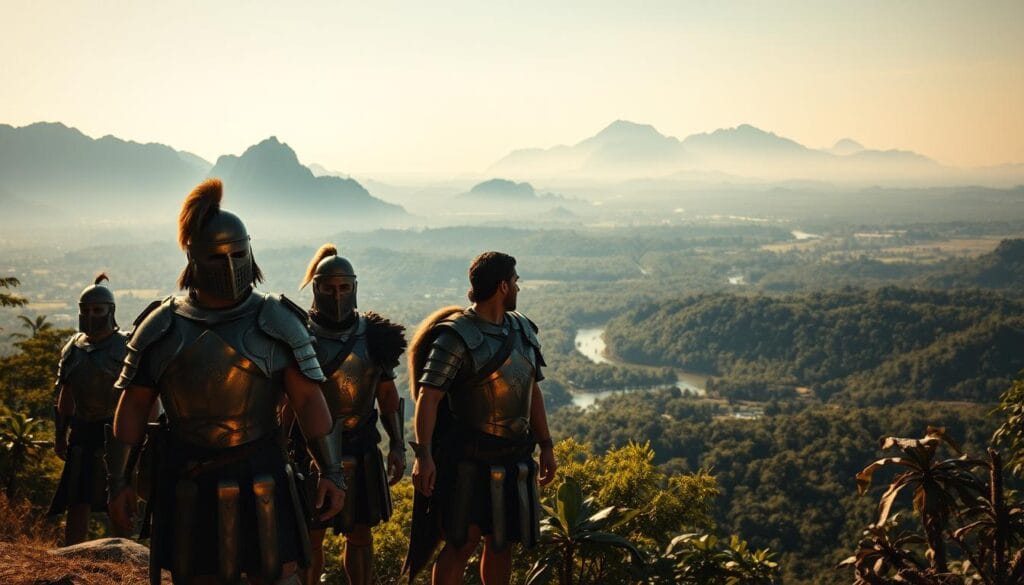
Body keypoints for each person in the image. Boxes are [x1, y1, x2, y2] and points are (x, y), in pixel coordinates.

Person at [105, 179, 345, 585]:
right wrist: (118, 481)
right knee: (197, 575)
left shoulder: (275, 321)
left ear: (249, 252)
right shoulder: (162, 327)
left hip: (263, 468)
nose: (232, 267)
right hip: (188, 477)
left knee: (278, 574)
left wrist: (331, 470)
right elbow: (131, 407)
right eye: (219, 257)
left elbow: (307, 401)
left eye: (238, 254)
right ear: (194, 258)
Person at [404, 251, 558, 585]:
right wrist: (424, 455)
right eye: (516, 281)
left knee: (500, 543)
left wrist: (546, 444)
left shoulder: (524, 331)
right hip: (468, 460)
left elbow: (532, 391)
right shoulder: (457, 336)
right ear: (503, 286)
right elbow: (428, 397)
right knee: (461, 542)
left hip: (514, 455)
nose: (518, 287)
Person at [290, 244, 407, 585]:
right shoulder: (298, 334)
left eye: (344, 288)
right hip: (309, 450)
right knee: (311, 540)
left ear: (354, 287)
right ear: (317, 288)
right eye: (329, 288)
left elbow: (386, 393)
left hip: (362, 445)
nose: (337, 295)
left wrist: (398, 444)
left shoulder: (374, 336)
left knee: (360, 536)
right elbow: (285, 402)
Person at [47, 273, 129, 544]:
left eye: (98, 309)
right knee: (76, 497)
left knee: (117, 498)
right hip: (82, 430)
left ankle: (123, 559)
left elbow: (141, 397)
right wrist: (61, 434)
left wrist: (140, 439)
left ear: (110, 310)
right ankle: (74, 557)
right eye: (86, 310)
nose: (91, 315)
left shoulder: (126, 347)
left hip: (115, 432)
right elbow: (66, 394)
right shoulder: (73, 347)